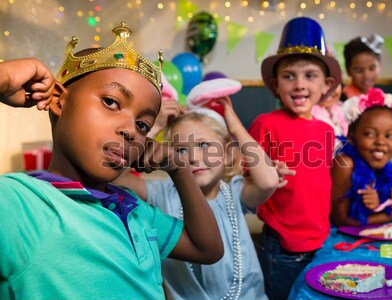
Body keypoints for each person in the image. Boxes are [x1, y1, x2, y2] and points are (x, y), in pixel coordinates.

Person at [0, 23, 224, 299]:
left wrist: (178, 168)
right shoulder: (20, 203)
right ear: (58, 99)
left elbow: (208, 249)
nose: (131, 130)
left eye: (143, 124)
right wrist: (4, 76)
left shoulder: (132, 208)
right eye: (111, 102)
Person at [116, 77, 283, 299]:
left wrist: (234, 125)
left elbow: (269, 181)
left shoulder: (233, 191)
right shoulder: (161, 193)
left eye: (204, 145)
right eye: (181, 150)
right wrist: (153, 127)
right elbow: (118, 179)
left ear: (225, 152)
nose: (194, 158)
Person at [248, 17, 342, 300]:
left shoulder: (327, 131)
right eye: (289, 76)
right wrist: (266, 172)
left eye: (309, 76)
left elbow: (320, 183)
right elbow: (243, 177)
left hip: (321, 240)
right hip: (283, 247)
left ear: (325, 85)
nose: (299, 84)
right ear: (276, 85)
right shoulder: (265, 124)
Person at [331, 87, 392, 227]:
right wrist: (388, 216)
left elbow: (383, 201)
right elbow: (340, 220)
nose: (381, 142)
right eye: (369, 134)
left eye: (389, 136)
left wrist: (381, 202)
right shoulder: (344, 165)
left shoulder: (384, 166)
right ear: (351, 136)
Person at [342, 34, 384, 99]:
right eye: (359, 70)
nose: (366, 75)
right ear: (348, 70)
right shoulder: (342, 98)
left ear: (380, 67)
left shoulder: (381, 97)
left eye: (372, 68)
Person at [312, 83, 348, 152]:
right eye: (323, 83)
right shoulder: (308, 115)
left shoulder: (342, 109)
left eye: (334, 83)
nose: (328, 90)